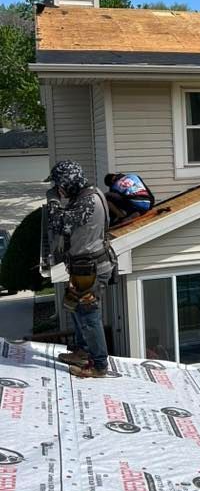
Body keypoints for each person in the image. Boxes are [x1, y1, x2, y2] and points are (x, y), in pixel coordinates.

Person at [45, 161, 116, 379]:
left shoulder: (88, 201)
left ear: (68, 182)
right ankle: (83, 351)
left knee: (88, 315)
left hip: (90, 269)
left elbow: (58, 223)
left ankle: (99, 365)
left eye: (60, 185)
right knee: (74, 306)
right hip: (83, 267)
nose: (59, 189)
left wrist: (53, 200)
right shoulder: (86, 196)